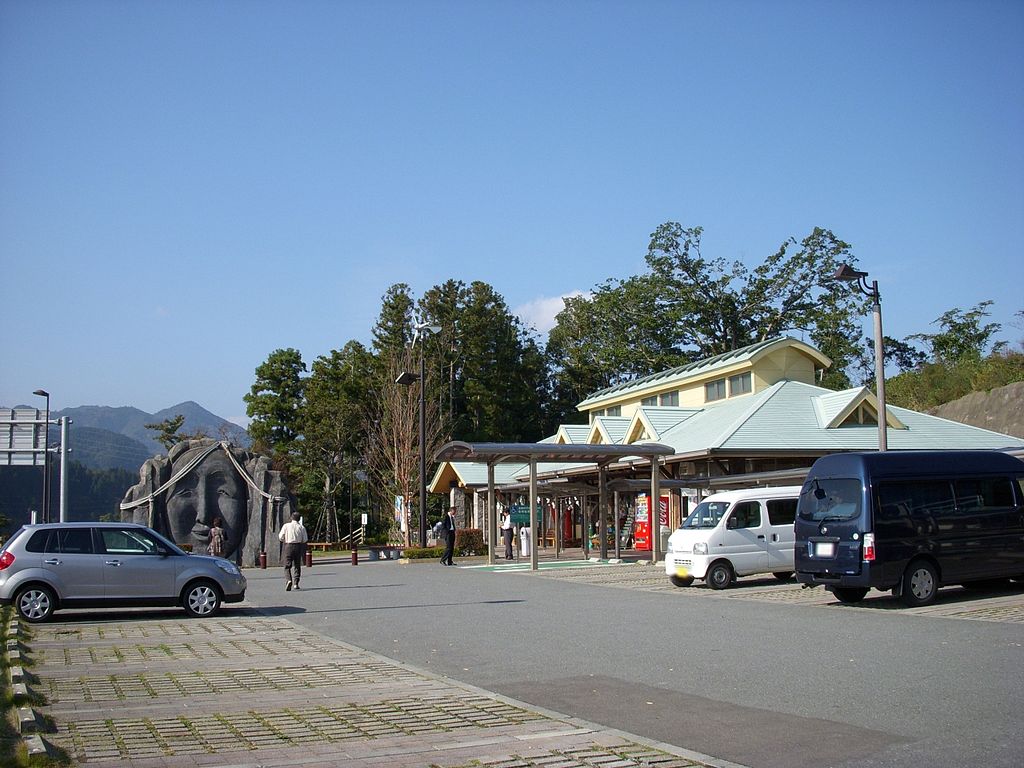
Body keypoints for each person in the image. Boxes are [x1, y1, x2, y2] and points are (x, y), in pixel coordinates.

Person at [278, 511, 308, 590]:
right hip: (298, 546)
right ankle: (296, 583)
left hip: (288, 545)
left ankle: (288, 579)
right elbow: (305, 539)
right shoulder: (301, 527)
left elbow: (280, 537)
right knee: (297, 565)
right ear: (299, 519)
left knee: (287, 565)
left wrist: (285, 539)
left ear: (291, 517)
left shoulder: (286, 526)